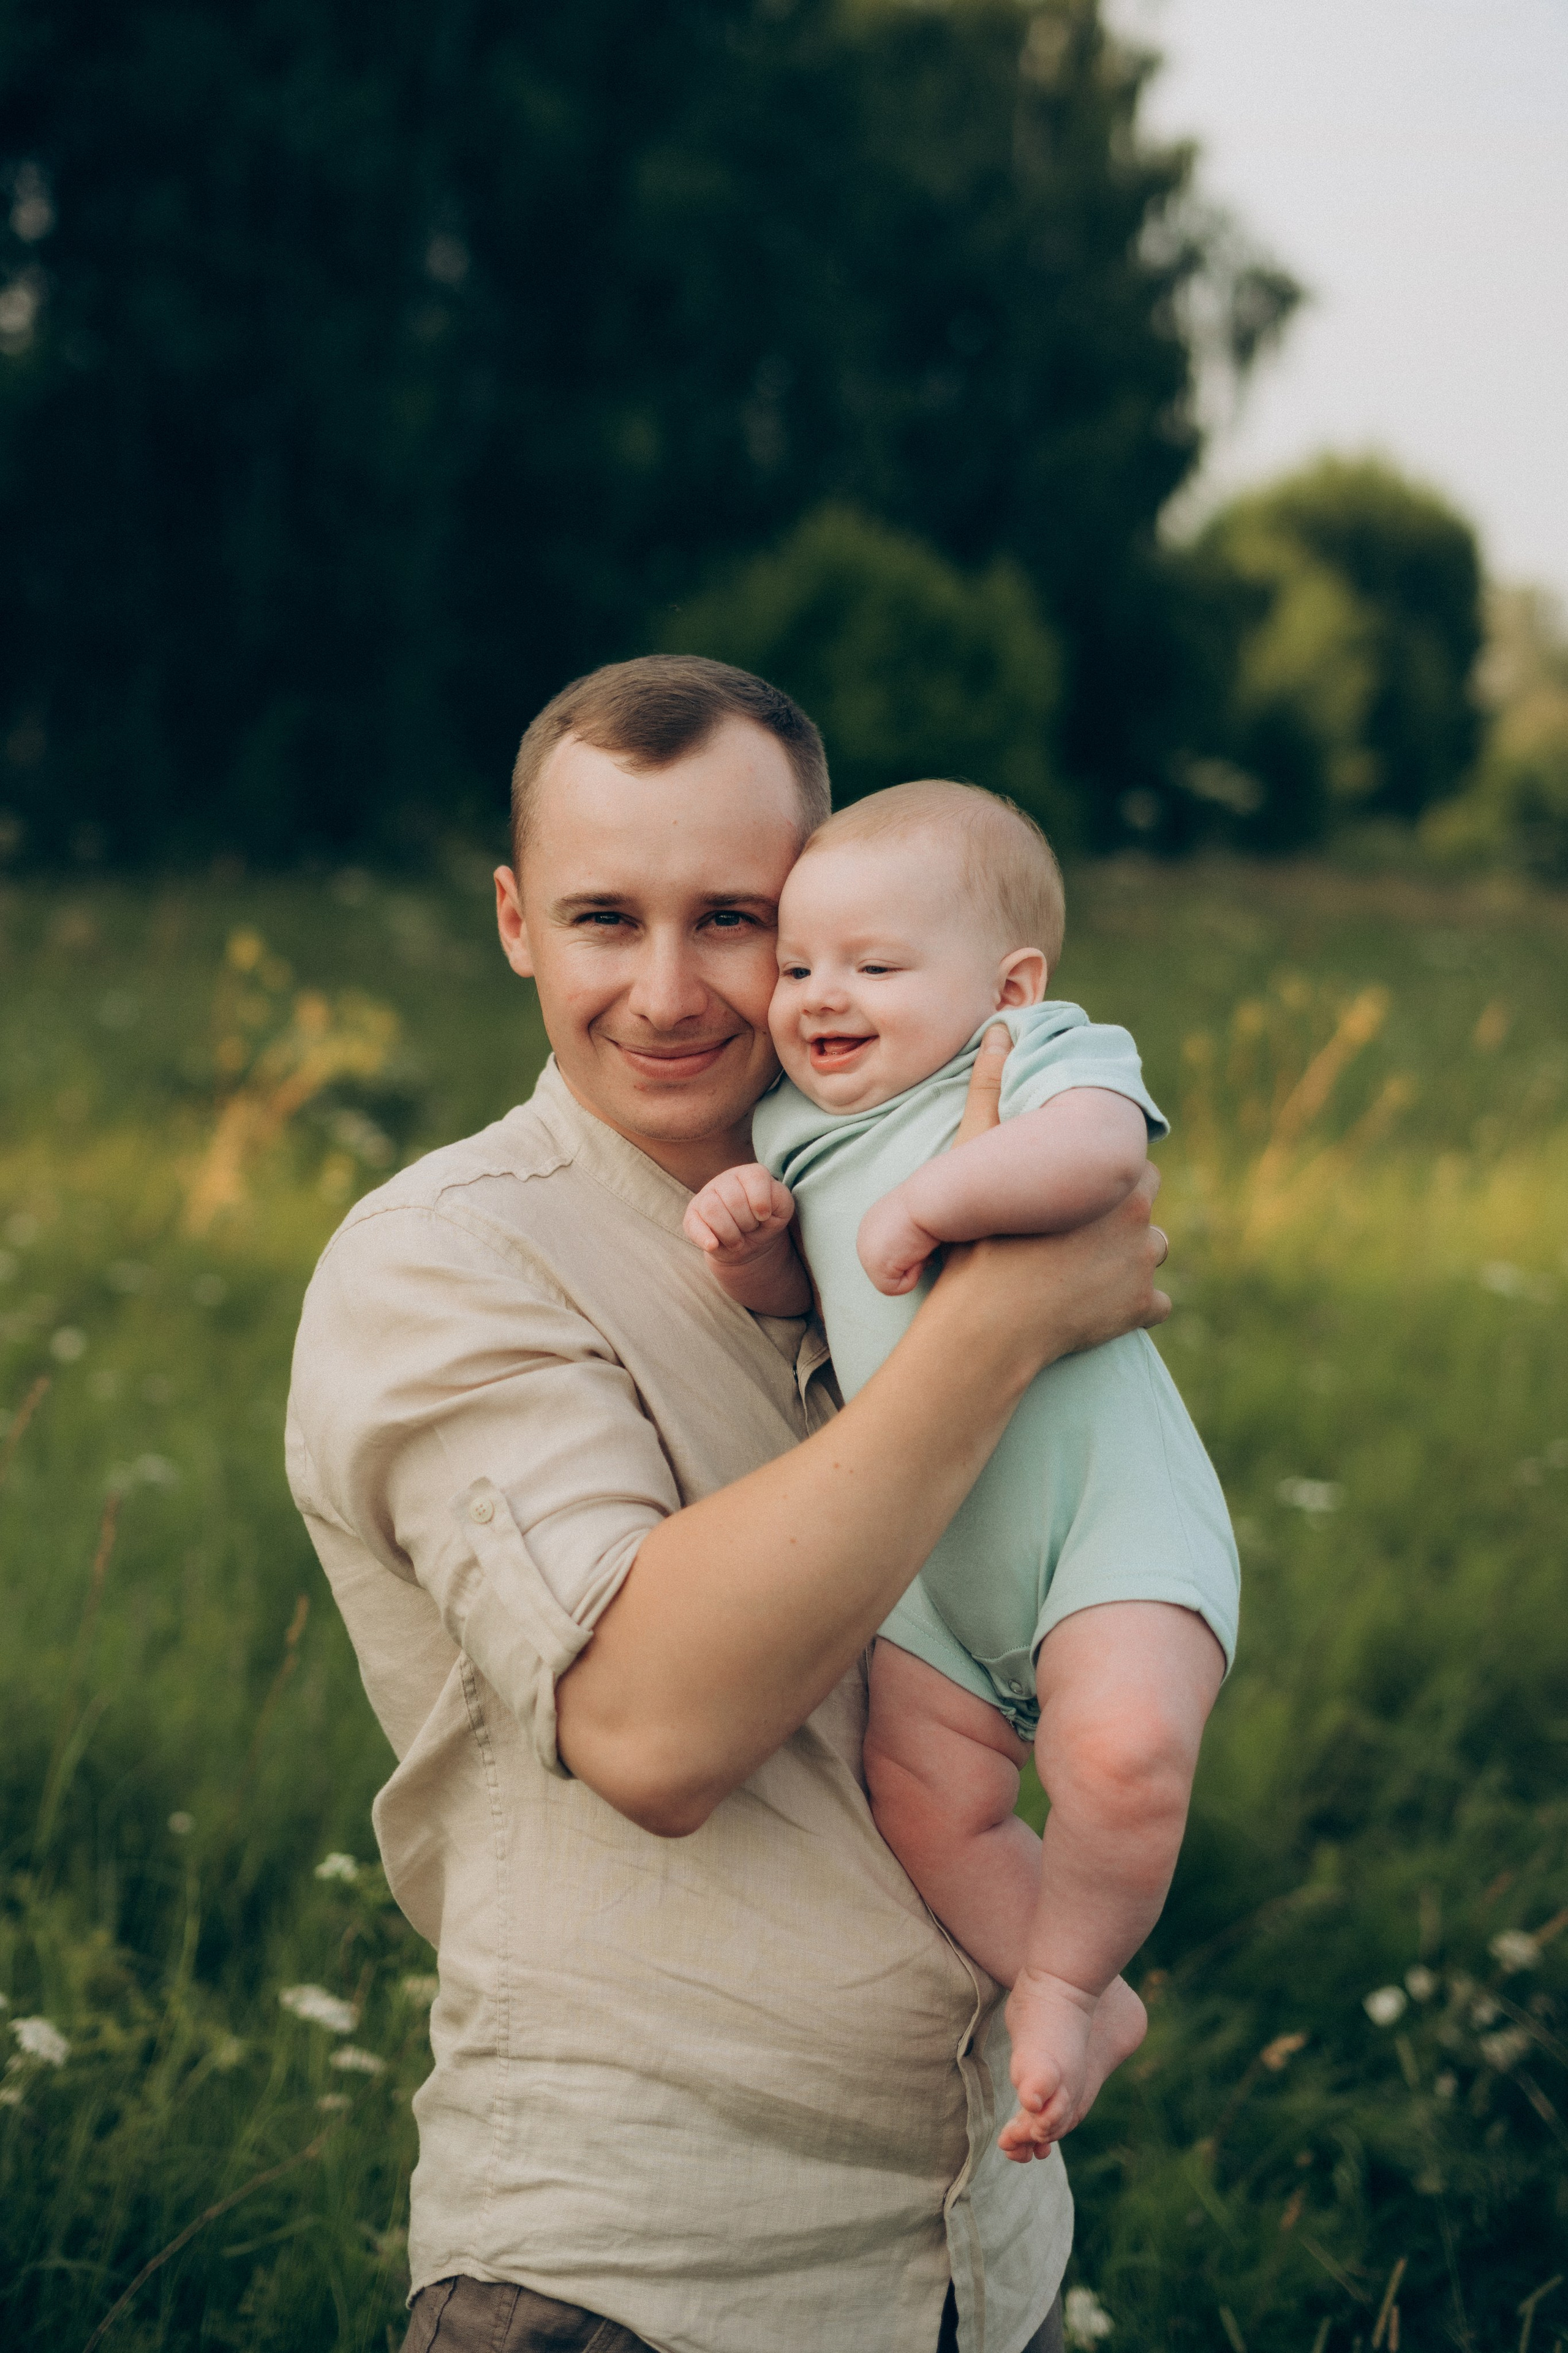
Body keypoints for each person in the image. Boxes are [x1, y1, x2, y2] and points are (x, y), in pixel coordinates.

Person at [285, 657, 1174, 2353]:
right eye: (606, 917)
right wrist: (992, 1328)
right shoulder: (445, 1257)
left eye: (737, 919)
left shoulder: (912, 1185)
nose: (673, 990)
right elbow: (649, 1727)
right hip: (633, 2277)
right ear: (514, 921)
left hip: (973, 2249)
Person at [684, 779, 1237, 2165]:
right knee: (929, 1802)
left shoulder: (1046, 1052)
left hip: (1096, 1522)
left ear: (1009, 982)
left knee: (1122, 1752)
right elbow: (802, 1302)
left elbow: (1103, 1157)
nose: (821, 995)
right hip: (931, 1568)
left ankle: (1060, 1976)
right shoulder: (788, 1128)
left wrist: (939, 1197)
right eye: (799, 964)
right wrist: (754, 1239)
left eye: (873, 965)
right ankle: (1078, 1992)